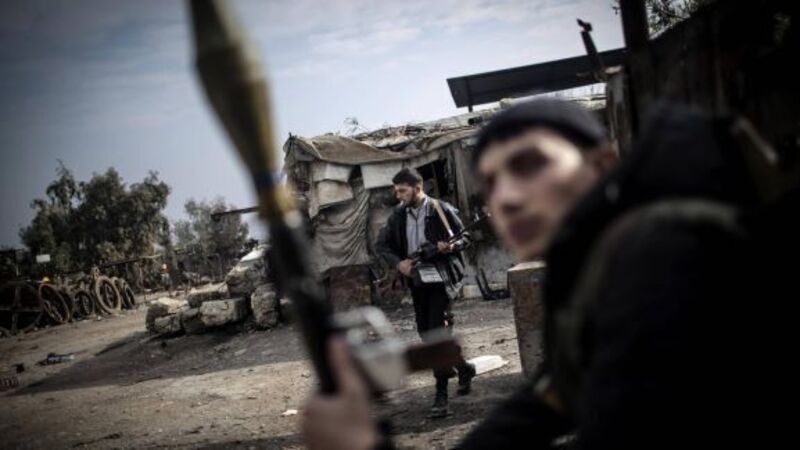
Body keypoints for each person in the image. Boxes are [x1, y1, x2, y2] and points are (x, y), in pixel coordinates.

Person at [302, 98, 786, 449]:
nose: (507, 197)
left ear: (602, 164)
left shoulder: (660, 255)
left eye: (530, 164)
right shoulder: (588, 270)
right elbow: (551, 398)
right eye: (492, 182)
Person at [374, 167, 476, 419]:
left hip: (442, 279)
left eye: (402, 191)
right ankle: (464, 369)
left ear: (417, 188)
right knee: (425, 331)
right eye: (397, 191)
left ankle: (441, 396)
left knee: (436, 335)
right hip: (417, 280)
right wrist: (399, 263)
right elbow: (381, 245)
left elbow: (465, 238)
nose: (398, 196)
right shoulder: (398, 215)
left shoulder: (441, 209)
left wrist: (449, 247)